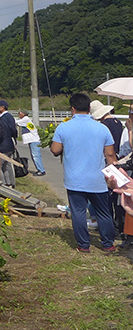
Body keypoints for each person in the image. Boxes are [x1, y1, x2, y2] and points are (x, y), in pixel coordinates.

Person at [50, 92, 118, 253]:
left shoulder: (64, 127)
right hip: (97, 179)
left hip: (74, 179)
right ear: (89, 108)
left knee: (79, 212)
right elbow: (110, 155)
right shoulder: (102, 128)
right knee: (103, 212)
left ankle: (83, 245)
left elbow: (55, 150)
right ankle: (108, 244)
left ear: (72, 109)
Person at [90, 100, 126, 241]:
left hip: (109, 161)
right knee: (118, 196)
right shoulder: (117, 122)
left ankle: (111, 226)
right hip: (120, 160)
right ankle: (119, 225)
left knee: (108, 197)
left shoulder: (104, 126)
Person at [15, 110, 46, 176]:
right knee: (34, 155)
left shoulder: (26, 119)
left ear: (24, 114)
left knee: (36, 156)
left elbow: (16, 122)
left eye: (20, 113)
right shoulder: (25, 119)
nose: (19, 114)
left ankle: (41, 170)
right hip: (32, 140)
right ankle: (39, 169)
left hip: (34, 140)